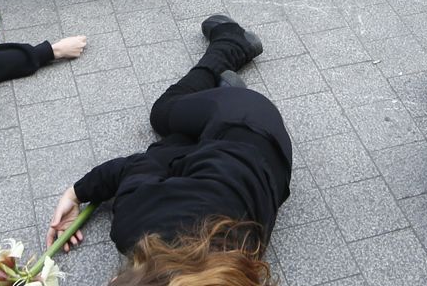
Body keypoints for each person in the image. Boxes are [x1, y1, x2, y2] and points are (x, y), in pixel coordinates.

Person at [44, 16, 288, 274]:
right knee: (163, 114)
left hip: (274, 160)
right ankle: (231, 44)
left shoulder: (227, 275)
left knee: (175, 148)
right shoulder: (137, 228)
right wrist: (76, 193)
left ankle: (223, 91)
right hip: (245, 120)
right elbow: (134, 167)